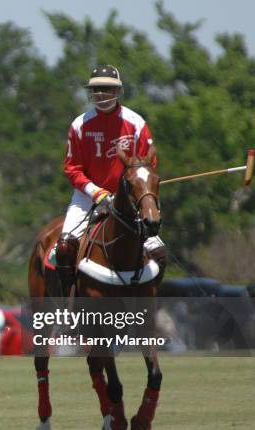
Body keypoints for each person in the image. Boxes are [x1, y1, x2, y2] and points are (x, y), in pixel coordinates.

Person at [56, 64, 166, 295]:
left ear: (118, 92)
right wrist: (97, 193)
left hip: (129, 197)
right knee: (65, 246)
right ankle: (69, 304)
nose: (101, 94)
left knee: (159, 254)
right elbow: (72, 169)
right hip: (88, 196)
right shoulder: (79, 125)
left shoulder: (135, 123)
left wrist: (131, 190)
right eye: (96, 90)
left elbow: (147, 165)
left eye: (107, 89)